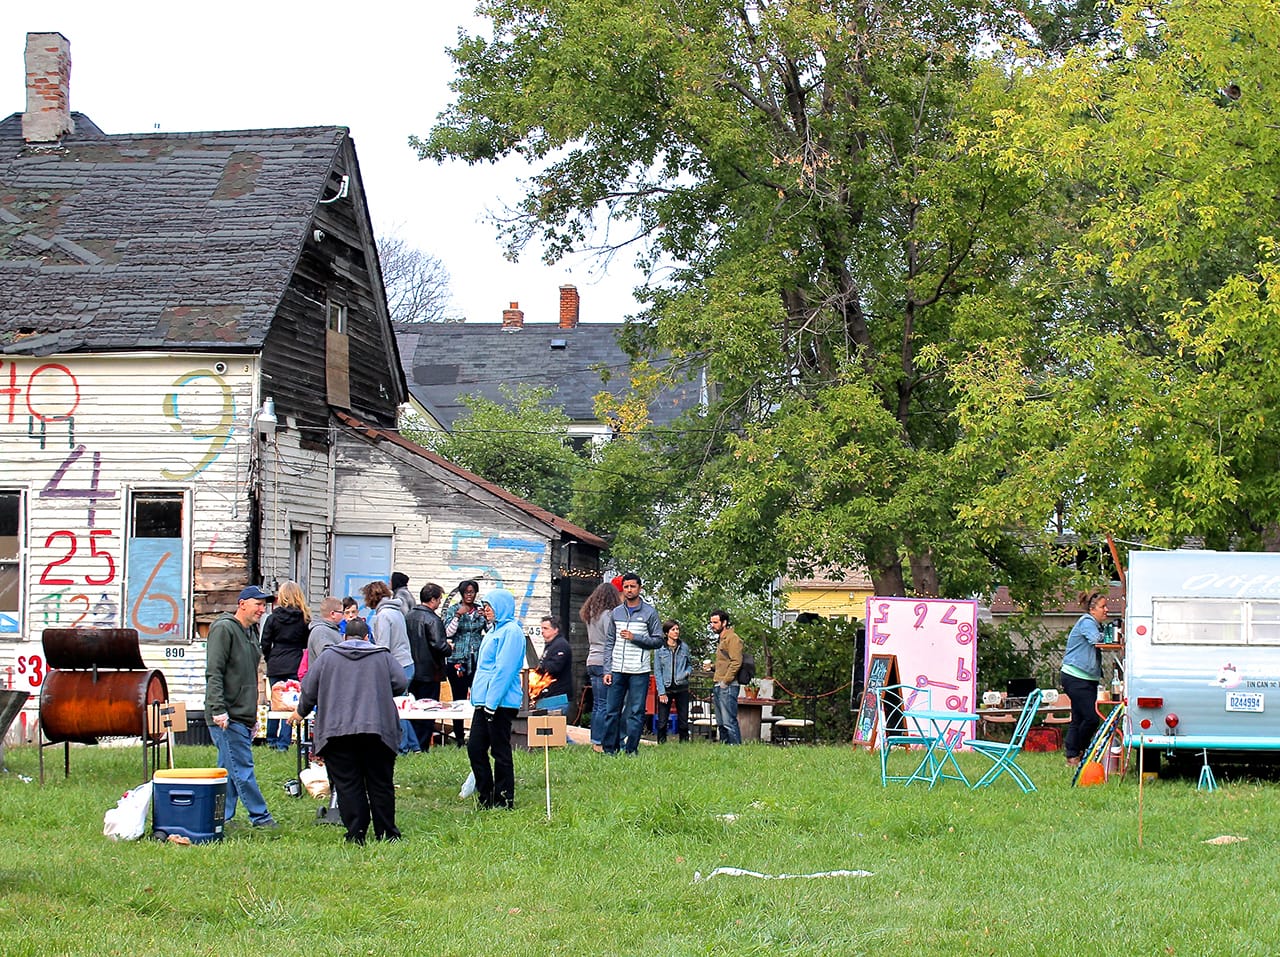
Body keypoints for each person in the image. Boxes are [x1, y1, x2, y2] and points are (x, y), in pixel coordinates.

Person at [293, 617, 407, 844]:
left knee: (348, 784)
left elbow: (309, 690)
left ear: (344, 637)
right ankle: (387, 833)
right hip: (377, 729)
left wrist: (300, 712)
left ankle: (356, 833)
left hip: (337, 731)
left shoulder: (327, 657)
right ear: (367, 637)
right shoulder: (382, 656)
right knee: (380, 783)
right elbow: (401, 683)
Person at [204, 585, 277, 829]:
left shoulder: (251, 632)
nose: (262, 609)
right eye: (258, 604)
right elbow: (214, 672)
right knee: (242, 769)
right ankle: (261, 817)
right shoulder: (224, 629)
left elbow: (248, 677)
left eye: (264, 604)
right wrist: (218, 709)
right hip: (227, 715)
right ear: (242, 603)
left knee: (228, 769)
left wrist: (254, 714)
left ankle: (221, 817)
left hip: (243, 714)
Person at [467, 589, 525, 809]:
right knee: (475, 748)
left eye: (489, 606)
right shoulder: (492, 631)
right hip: (485, 701)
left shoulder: (511, 632)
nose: (486, 610)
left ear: (501, 606)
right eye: (485, 606)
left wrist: (492, 702)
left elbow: (504, 670)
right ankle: (485, 794)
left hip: (499, 702)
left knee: (499, 750)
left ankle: (503, 798)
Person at [601, 572, 664, 755]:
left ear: (639, 588)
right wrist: (607, 669)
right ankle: (609, 750)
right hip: (617, 670)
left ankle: (631, 750)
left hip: (639, 671)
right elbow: (609, 643)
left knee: (636, 712)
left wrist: (635, 637)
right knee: (612, 711)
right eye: (626, 587)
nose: (629, 590)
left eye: (632, 586)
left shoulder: (649, 612)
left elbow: (658, 640)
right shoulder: (616, 613)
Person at [362, 580, 416, 753]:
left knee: (396, 708)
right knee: (403, 706)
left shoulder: (382, 616)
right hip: (407, 663)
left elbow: (383, 647)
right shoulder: (396, 612)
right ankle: (413, 746)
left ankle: (402, 747)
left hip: (395, 666)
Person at [1061, 590, 1111, 769]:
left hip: (1087, 678)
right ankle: (1079, 751)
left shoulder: (1095, 624)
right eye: (1103, 606)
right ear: (1092, 609)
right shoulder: (1087, 622)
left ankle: (1073, 756)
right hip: (1075, 676)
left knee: (1079, 718)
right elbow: (1097, 640)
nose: (1107, 610)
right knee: (1091, 718)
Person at [260, 580, 310, 751]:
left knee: (275, 702)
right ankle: (284, 741)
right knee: (290, 704)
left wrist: (269, 658)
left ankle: (271, 739)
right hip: (295, 661)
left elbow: (265, 642)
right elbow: (306, 643)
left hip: (276, 661)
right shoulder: (304, 619)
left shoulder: (273, 618)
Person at [405, 582, 451, 750]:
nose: (440, 603)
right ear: (432, 600)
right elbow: (439, 645)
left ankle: (412, 744)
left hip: (411, 670)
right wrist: (449, 647)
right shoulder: (433, 619)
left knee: (411, 710)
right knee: (428, 710)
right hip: (430, 672)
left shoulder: (408, 616)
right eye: (439, 599)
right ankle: (421, 746)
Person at [444, 579, 487, 747]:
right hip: (458, 660)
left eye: (472, 592)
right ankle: (459, 736)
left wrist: (487, 619)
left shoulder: (480, 610)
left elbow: (490, 631)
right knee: (458, 697)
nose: (470, 595)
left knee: (477, 697)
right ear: (462, 594)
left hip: (477, 659)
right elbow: (448, 632)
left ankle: (477, 734)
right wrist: (458, 615)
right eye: (467, 592)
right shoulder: (454, 609)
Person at [579, 579, 622, 752]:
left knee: (598, 704)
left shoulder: (590, 615)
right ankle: (603, 741)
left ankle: (596, 740)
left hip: (592, 660)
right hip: (605, 661)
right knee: (606, 704)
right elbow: (611, 639)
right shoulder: (608, 615)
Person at [654, 619, 692, 744]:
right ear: (666, 633)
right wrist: (661, 692)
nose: (676, 632)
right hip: (666, 688)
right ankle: (662, 744)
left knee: (683, 721)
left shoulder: (684, 647)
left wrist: (686, 673)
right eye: (673, 629)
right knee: (662, 721)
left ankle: (684, 745)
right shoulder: (660, 648)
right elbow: (657, 671)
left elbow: (689, 665)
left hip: (682, 687)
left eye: (677, 629)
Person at [709, 609, 743, 745]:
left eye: (715, 622)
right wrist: (712, 667)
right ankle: (725, 750)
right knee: (721, 722)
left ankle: (735, 749)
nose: (712, 625)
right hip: (718, 683)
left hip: (728, 685)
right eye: (711, 622)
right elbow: (725, 662)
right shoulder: (721, 639)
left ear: (724, 623)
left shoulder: (732, 638)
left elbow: (736, 662)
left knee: (729, 721)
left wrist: (726, 681)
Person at [532, 615, 573, 711]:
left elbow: (554, 667)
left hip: (557, 699)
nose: (542, 631)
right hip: (548, 698)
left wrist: (537, 669)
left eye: (545, 628)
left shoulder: (561, 645)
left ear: (556, 630)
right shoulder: (551, 645)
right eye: (541, 628)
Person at [306, 596, 346, 666]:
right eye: (341, 612)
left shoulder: (330, 630)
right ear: (333, 614)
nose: (343, 616)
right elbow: (327, 658)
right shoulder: (320, 632)